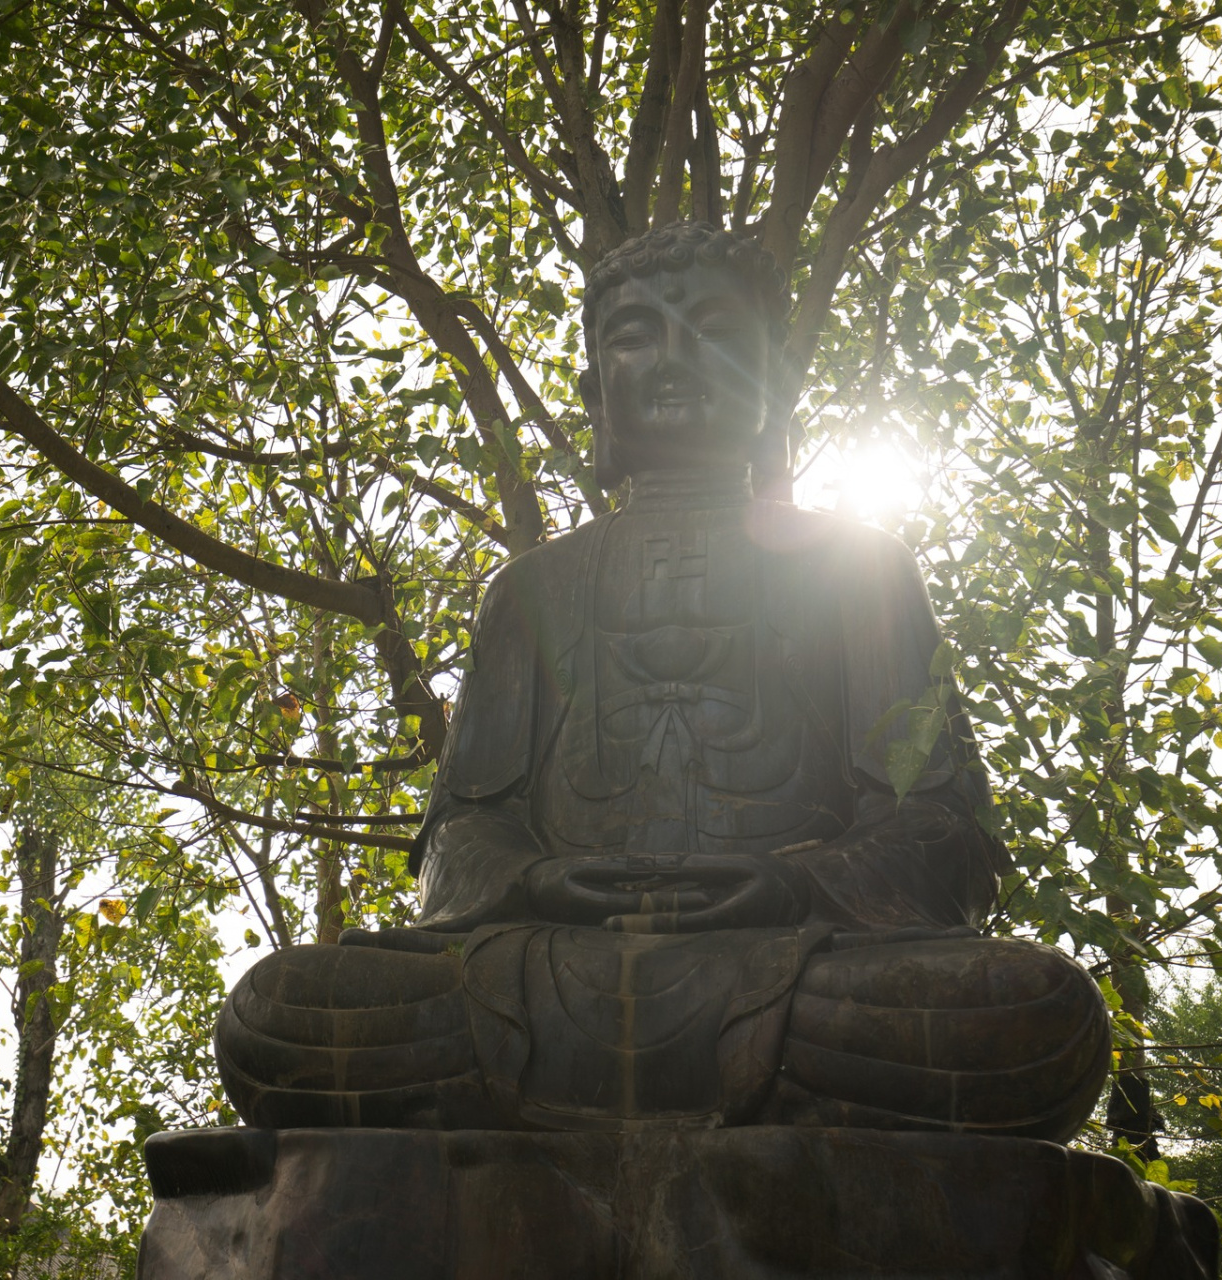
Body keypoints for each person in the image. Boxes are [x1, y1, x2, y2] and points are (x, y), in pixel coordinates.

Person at [215, 222, 1110, 1139]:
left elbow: (938, 827)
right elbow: (463, 832)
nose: (675, 360)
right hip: (551, 967)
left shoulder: (861, 568)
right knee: (276, 1014)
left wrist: (788, 887)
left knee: (1035, 1013)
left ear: (775, 382)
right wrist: (540, 880)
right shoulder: (530, 590)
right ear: (596, 389)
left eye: (716, 329)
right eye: (636, 336)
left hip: (797, 957)